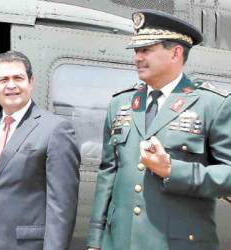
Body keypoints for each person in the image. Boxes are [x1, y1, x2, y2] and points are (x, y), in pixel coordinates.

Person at [87, 9, 231, 250]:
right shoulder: (120, 104)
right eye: (136, 51)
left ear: (175, 53)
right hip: (120, 242)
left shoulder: (213, 104)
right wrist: (95, 240)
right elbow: (107, 175)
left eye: (146, 50)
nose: (137, 57)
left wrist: (173, 171)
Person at [0, 51, 80, 250]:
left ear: (31, 82)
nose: (11, 85)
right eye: (3, 79)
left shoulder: (56, 129)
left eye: (18, 78)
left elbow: (62, 208)